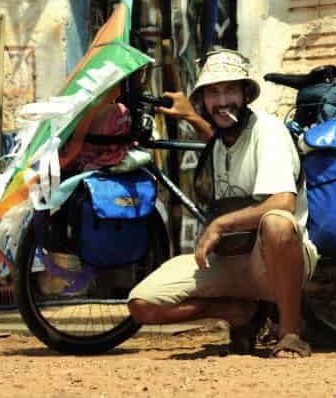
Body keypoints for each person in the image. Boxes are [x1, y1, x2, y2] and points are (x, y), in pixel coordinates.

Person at [127, 49, 318, 359]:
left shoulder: (267, 131)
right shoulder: (219, 141)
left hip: (274, 261)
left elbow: (283, 202)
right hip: (230, 260)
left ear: (245, 94)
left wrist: (220, 224)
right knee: (142, 305)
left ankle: (291, 332)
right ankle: (237, 312)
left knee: (277, 223)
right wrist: (190, 116)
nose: (222, 100)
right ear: (204, 99)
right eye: (213, 92)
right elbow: (219, 140)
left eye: (230, 89)